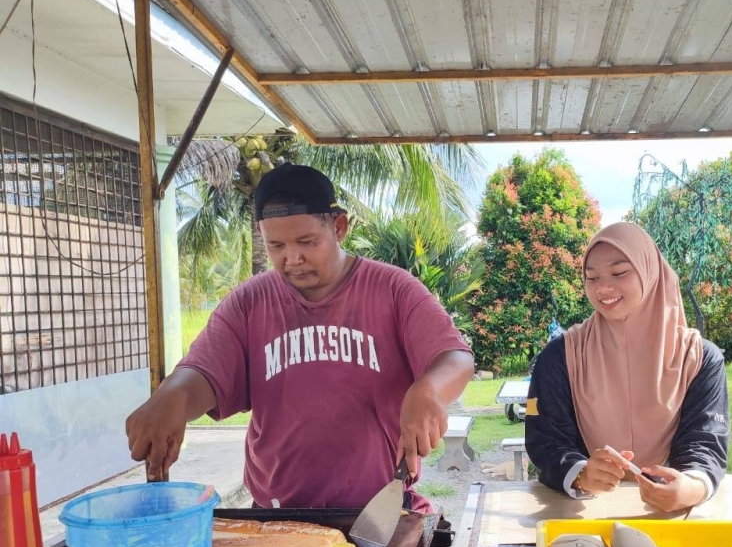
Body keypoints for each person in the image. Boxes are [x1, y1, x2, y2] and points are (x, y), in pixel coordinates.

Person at [125, 163, 475, 512]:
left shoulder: (393, 289)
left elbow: (455, 358)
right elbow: (205, 373)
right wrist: (173, 395)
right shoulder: (250, 301)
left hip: (380, 512)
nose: (292, 258)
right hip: (276, 515)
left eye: (307, 242)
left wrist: (428, 389)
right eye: (275, 245)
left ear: (339, 227)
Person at [525, 222, 729, 512]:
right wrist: (581, 473)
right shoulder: (561, 356)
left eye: (619, 273)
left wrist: (692, 486)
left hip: (670, 517)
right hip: (582, 515)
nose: (603, 288)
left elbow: (705, 439)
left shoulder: (698, 358)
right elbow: (545, 438)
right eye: (591, 277)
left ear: (649, 272)